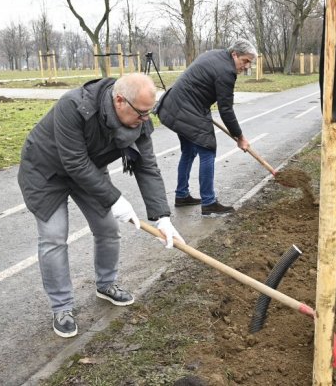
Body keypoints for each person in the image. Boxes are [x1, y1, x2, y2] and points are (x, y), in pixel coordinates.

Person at [17, 73, 185, 338]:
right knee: (54, 236)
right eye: (142, 113)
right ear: (120, 101)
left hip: (89, 170)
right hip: (45, 171)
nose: (145, 119)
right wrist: (115, 198)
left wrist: (161, 216)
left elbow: (147, 165)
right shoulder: (73, 106)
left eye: (148, 112)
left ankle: (106, 284)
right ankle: (62, 306)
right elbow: (74, 162)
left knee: (107, 228)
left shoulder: (138, 117)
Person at [156, 38, 256, 216]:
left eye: (250, 62)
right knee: (207, 150)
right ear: (234, 54)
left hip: (173, 104)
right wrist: (240, 137)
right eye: (245, 61)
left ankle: (182, 195)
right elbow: (226, 110)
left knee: (189, 151)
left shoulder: (215, 55)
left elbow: (201, 86)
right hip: (186, 109)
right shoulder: (227, 71)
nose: (247, 66)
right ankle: (209, 203)